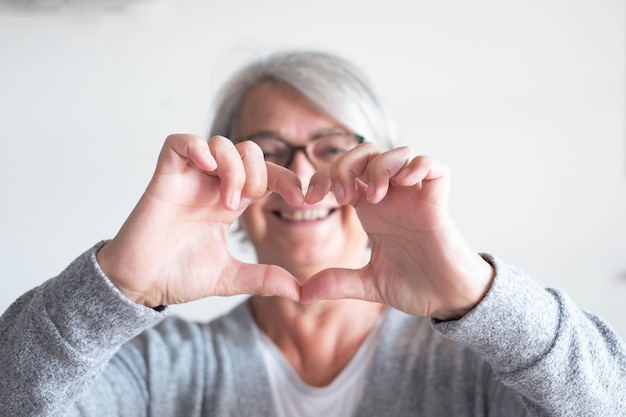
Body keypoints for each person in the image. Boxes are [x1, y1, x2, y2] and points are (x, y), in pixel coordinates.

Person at [1, 50, 624, 417]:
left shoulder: (474, 369)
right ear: (231, 188)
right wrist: (119, 283)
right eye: (269, 151)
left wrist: (478, 295)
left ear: (383, 167)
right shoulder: (164, 372)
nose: (301, 173)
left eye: (331, 148)